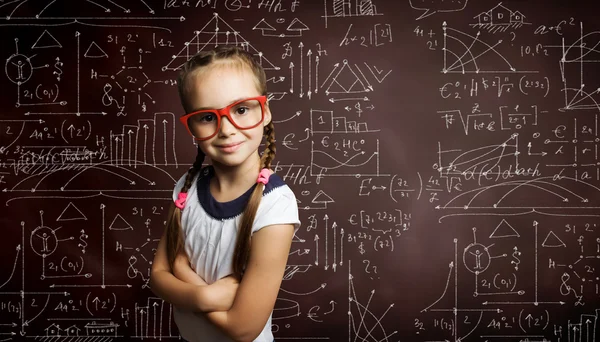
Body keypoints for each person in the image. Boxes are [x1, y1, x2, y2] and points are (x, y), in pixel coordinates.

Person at [149, 46, 300, 342]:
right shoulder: (188, 187)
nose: (227, 129)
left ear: (265, 111)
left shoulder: (275, 207)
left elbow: (242, 329)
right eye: (207, 117)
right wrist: (206, 297)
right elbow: (157, 277)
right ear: (191, 125)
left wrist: (182, 272)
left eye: (241, 109)